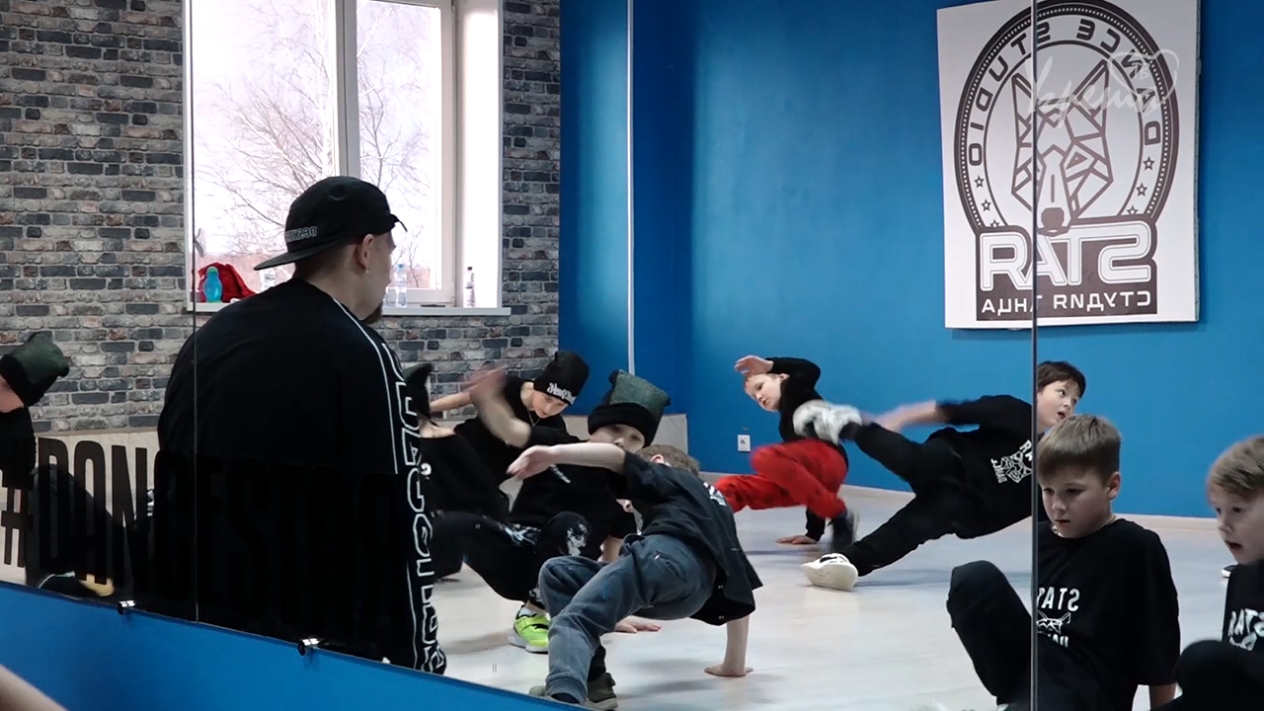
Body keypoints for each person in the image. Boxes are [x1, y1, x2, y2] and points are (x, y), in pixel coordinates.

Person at [152, 176, 446, 674]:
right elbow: (399, 522)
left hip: (195, 631)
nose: (389, 273)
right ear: (366, 251)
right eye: (391, 253)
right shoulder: (360, 353)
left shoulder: (215, 335)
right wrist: (423, 669)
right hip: (311, 652)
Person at [944, 415, 1179, 710]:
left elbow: (1161, 648)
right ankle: (1017, 702)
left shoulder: (1136, 546)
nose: (1057, 506)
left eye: (1073, 492)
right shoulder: (1043, 536)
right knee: (973, 578)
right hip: (1037, 669)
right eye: (1047, 490)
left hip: (1089, 688)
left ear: (1112, 485)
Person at [509, 442, 761, 709]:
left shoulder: (668, 475)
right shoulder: (714, 504)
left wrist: (554, 454)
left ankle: (562, 698)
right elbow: (741, 586)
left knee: (574, 621)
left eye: (629, 492)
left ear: (658, 462)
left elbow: (616, 456)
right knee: (560, 573)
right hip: (692, 595)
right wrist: (734, 664)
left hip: (662, 559)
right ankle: (594, 686)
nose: (628, 505)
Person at [795, 360, 1085, 592]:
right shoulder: (1014, 411)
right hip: (951, 462)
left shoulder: (1052, 461)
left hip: (964, 505)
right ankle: (848, 426)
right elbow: (950, 412)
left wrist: (1071, 556)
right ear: (1038, 391)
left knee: (913, 528)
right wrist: (898, 418)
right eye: (1062, 393)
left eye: (1074, 400)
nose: (1068, 404)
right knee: (912, 461)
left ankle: (846, 561)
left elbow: (1050, 515)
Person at [434, 368, 658, 655]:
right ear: (595, 426)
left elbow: (610, 564)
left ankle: (532, 616)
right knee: (457, 523)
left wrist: (612, 610)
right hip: (516, 553)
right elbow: (511, 430)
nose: (621, 442)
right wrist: (488, 398)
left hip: (560, 575)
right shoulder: (557, 445)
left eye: (635, 438)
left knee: (569, 523)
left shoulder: (623, 494)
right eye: (614, 429)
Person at [1155, 436, 1264, 710]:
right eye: (1218, 511)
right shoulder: (1241, 578)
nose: (1223, 524)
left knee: (1203, 659)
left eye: (1237, 510)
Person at [724, 354, 856, 550]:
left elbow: (810, 370)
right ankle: (703, 528)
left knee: (765, 457)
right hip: (812, 474)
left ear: (782, 377)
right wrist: (813, 533)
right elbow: (811, 485)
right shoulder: (784, 425)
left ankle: (837, 514)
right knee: (731, 485)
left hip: (830, 457)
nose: (758, 397)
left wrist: (770, 365)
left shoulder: (796, 392)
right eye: (754, 398)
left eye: (760, 387)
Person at [403, 363, 511, 579]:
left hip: (440, 541)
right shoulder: (393, 446)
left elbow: (486, 491)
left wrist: (504, 539)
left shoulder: (448, 444)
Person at [431, 350, 589, 480]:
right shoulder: (511, 385)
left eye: (560, 405)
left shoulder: (554, 428)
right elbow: (463, 399)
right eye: (547, 398)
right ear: (537, 386)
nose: (549, 409)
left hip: (485, 477)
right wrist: (425, 407)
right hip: (460, 446)